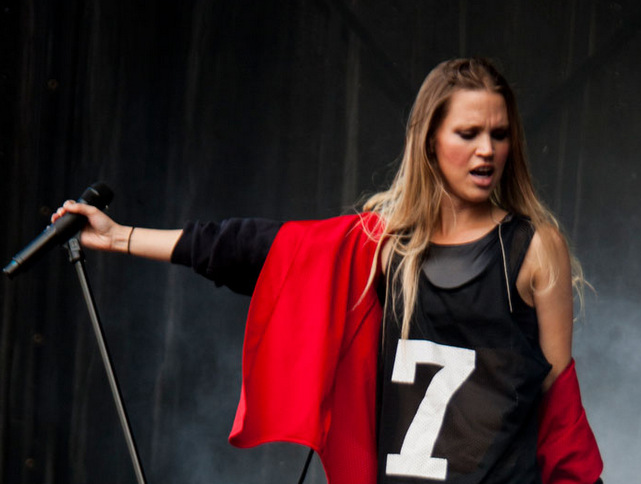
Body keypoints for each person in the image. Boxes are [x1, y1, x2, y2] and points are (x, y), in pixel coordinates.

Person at [53, 58, 603, 484]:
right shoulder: (381, 248)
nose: (487, 150)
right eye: (468, 133)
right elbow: (251, 248)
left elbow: (560, 411)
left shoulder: (534, 248)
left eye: (499, 134)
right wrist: (120, 236)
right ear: (430, 141)